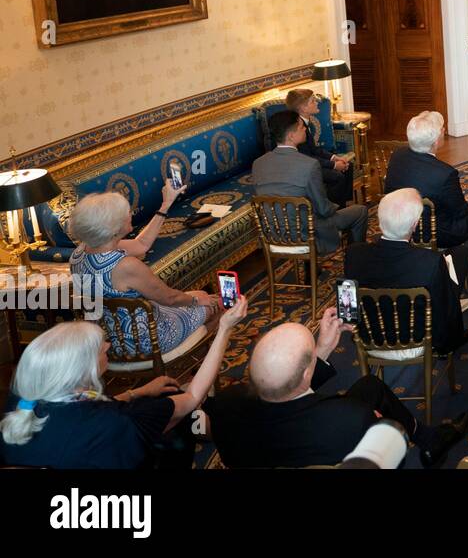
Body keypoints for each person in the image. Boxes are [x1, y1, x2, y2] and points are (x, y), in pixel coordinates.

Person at [204, 305, 468, 468]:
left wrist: (322, 350)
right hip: (324, 448)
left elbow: (286, 390)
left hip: (271, 448)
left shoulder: (225, 405)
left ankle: (427, 438)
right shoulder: (350, 419)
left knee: (370, 386)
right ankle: (428, 441)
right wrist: (379, 428)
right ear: (307, 372)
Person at [1, 299, 246, 469]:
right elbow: (193, 396)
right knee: (183, 416)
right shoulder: (114, 424)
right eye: (99, 347)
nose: (107, 346)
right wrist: (224, 328)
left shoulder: (21, 403)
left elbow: (83, 412)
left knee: (159, 398)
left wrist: (136, 392)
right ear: (81, 371)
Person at [383, 110, 468, 293]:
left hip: (399, 226)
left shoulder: (397, 156)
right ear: (436, 141)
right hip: (439, 231)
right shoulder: (445, 173)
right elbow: (461, 213)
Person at [68, 192, 216, 354]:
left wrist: (166, 204)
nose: (130, 214)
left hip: (110, 336)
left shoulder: (78, 254)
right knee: (215, 304)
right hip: (146, 341)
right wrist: (197, 300)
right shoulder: (126, 266)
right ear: (114, 229)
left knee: (202, 295)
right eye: (125, 214)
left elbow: (141, 244)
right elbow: (169, 298)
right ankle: (201, 368)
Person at [343, 189, 468, 354]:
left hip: (369, 338)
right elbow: (443, 310)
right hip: (418, 339)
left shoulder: (353, 254)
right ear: (415, 225)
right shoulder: (430, 261)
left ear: (380, 222)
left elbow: (347, 311)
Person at [252, 110, 368, 252]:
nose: (305, 129)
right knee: (360, 211)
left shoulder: (258, 164)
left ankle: (312, 270)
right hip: (306, 235)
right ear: (291, 135)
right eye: (302, 127)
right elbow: (324, 209)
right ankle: (354, 260)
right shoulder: (309, 165)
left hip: (272, 236)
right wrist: (335, 206)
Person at [284, 88, 354, 205]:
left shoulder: (305, 121)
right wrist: (334, 165)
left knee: (348, 166)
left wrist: (334, 158)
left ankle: (343, 205)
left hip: (311, 161)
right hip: (303, 166)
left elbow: (314, 149)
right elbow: (307, 157)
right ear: (303, 108)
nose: (317, 103)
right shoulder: (297, 127)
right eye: (313, 101)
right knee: (337, 177)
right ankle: (332, 210)